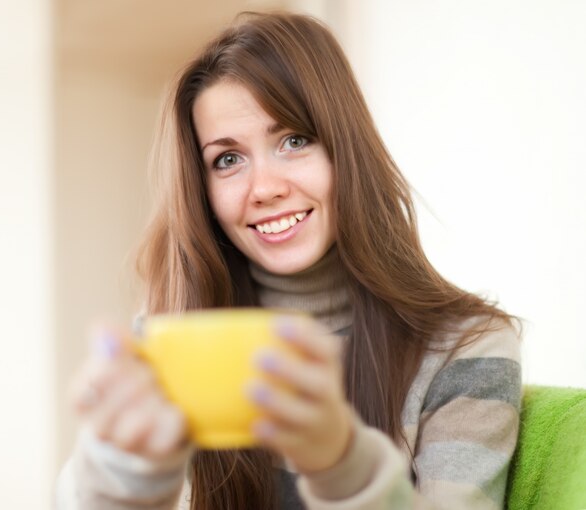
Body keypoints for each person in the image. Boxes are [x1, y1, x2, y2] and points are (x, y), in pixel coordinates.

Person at [56, 11, 522, 510]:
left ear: (346, 149)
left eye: (294, 140)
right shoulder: (174, 341)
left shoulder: (465, 349)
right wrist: (117, 471)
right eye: (227, 160)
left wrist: (343, 464)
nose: (265, 189)